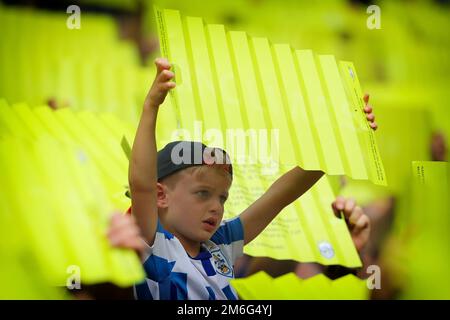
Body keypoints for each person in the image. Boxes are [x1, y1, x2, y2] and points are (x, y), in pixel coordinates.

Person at [127, 58, 377, 300]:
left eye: (222, 197)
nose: (216, 207)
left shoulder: (220, 244)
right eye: (203, 193)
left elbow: (280, 196)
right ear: (161, 195)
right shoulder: (154, 244)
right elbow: (141, 184)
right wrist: (151, 106)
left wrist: (345, 138)